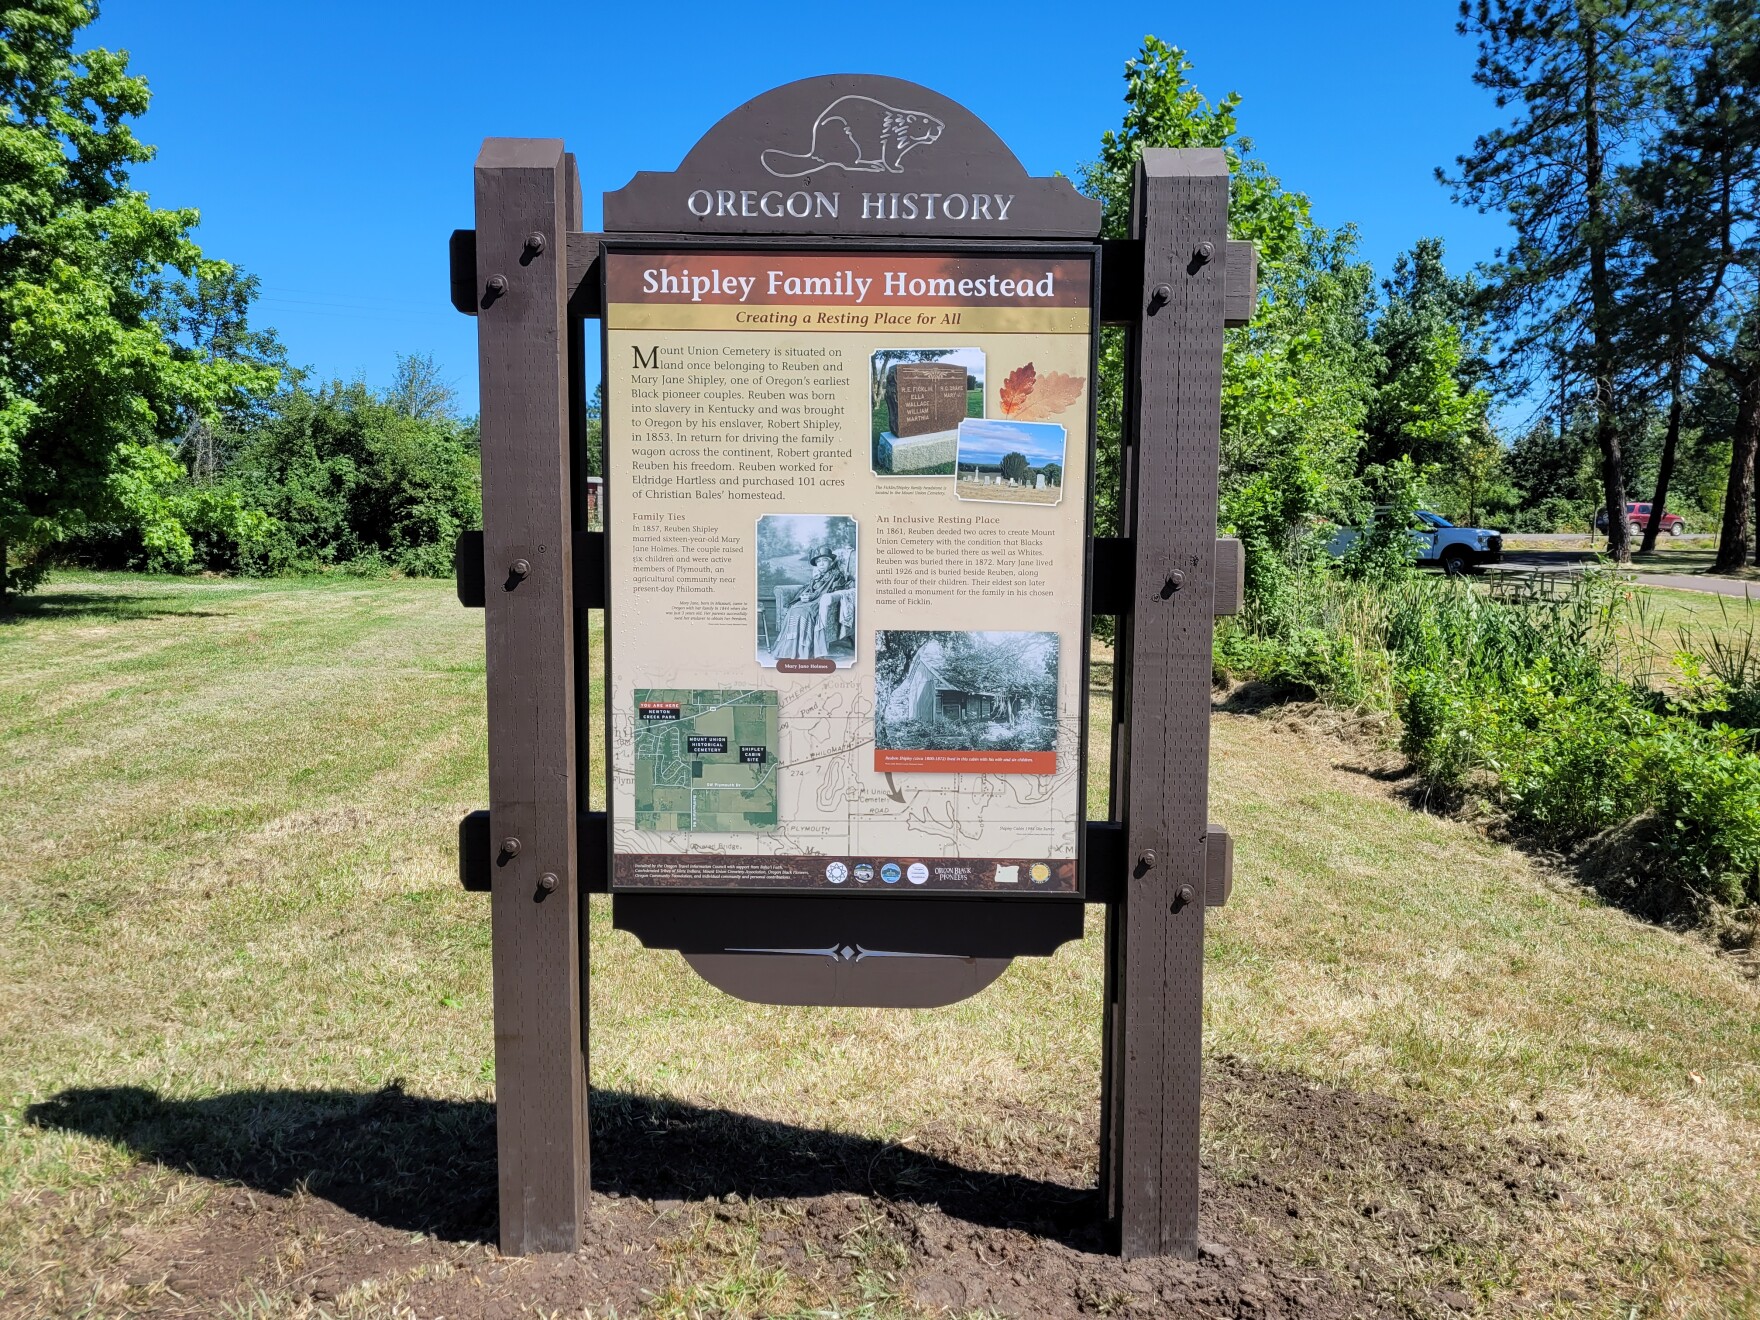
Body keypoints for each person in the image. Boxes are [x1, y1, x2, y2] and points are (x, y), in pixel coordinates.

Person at [774, 548, 853, 660]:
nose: (821, 564)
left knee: (804, 612)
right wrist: (805, 595)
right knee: (794, 608)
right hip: (812, 600)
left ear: (831, 563)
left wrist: (813, 596)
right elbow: (810, 589)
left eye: (824, 561)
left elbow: (832, 592)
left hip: (821, 601)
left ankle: (804, 651)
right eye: (818, 562)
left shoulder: (836, 575)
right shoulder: (817, 576)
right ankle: (789, 651)